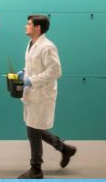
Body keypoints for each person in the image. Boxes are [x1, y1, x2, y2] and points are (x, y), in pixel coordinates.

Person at [16, 15, 77, 179]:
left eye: (28, 24)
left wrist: (31, 80)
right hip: (32, 93)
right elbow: (35, 65)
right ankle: (65, 149)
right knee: (35, 128)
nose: (25, 26)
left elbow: (55, 71)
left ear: (38, 28)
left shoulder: (48, 46)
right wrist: (24, 71)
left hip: (42, 95)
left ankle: (36, 168)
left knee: (33, 129)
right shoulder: (31, 44)